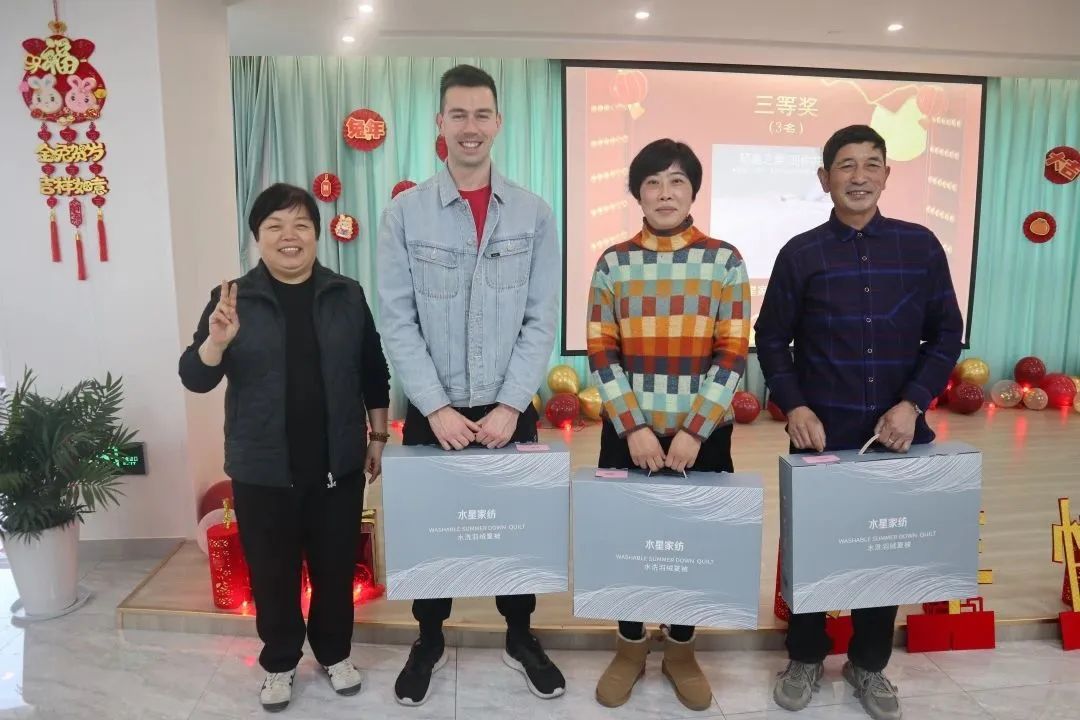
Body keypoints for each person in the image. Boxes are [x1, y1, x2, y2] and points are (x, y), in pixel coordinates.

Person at [755, 125, 963, 720]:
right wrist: (795, 405)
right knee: (814, 550)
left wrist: (913, 403)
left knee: (883, 549)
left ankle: (869, 664)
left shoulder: (920, 246)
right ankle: (805, 656)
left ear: (887, 175)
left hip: (896, 435)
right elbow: (770, 337)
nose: (860, 176)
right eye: (846, 165)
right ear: (825, 179)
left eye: (872, 164)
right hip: (823, 435)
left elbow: (947, 333)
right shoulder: (801, 253)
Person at [377, 64, 563, 706]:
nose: (470, 126)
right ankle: (429, 638)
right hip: (436, 411)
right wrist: (435, 408)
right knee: (434, 531)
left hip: (510, 409)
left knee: (516, 529)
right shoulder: (405, 215)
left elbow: (541, 318)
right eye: (458, 114)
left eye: (482, 114)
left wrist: (512, 403)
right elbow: (397, 320)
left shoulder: (534, 214)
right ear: (440, 122)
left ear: (498, 122)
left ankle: (520, 635)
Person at [179, 183, 391, 713]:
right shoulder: (233, 299)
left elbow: (373, 370)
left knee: (334, 571)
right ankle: (279, 662)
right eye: (274, 225)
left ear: (316, 234)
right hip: (263, 470)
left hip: (336, 465)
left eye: (300, 224)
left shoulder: (346, 294)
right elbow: (195, 377)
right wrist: (216, 343)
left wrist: (378, 436)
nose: (288, 236)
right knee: (273, 576)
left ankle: (335, 653)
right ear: (258, 236)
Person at [586, 138, 751, 711]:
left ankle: (681, 649)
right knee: (628, 543)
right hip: (627, 436)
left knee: (691, 545)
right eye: (652, 182)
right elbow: (601, 350)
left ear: (693, 191)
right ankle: (629, 646)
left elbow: (733, 352)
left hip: (701, 439)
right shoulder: (613, 262)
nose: (664, 193)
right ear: (637, 193)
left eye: (677, 181)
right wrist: (633, 427)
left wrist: (694, 430)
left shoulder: (725, 260)